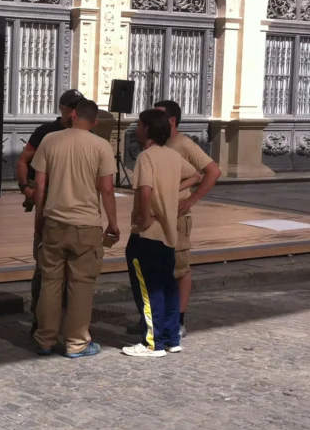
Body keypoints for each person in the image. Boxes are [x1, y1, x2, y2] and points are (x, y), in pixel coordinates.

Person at [30, 99, 119, 358]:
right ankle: (76, 343)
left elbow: (40, 186)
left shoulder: (50, 141)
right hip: (86, 224)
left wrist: (39, 219)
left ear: (71, 115)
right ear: (94, 122)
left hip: (55, 222)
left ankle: (45, 339)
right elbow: (107, 189)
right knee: (81, 285)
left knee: (50, 282)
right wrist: (112, 222)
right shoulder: (101, 146)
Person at [122, 109, 200, 359]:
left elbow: (144, 191)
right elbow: (195, 175)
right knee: (168, 286)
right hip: (169, 232)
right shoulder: (172, 155)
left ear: (148, 129)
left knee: (148, 289)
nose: (137, 128)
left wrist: (145, 218)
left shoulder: (146, 157)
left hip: (148, 234)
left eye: (140, 125)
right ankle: (171, 338)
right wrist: (168, 192)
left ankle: (151, 343)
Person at [15, 88, 83, 331]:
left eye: (78, 106)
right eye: (70, 106)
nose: (74, 111)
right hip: (48, 206)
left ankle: (65, 321)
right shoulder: (46, 132)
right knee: (44, 266)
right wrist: (25, 188)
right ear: (61, 108)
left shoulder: (86, 133)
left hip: (75, 209)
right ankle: (39, 319)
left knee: (73, 271)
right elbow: (23, 160)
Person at [154, 100, 222, 339]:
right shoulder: (159, 144)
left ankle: (179, 320)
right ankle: (158, 316)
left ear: (172, 121)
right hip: (158, 217)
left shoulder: (183, 144)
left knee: (180, 267)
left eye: (158, 116)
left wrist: (191, 200)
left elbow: (212, 171)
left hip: (177, 216)